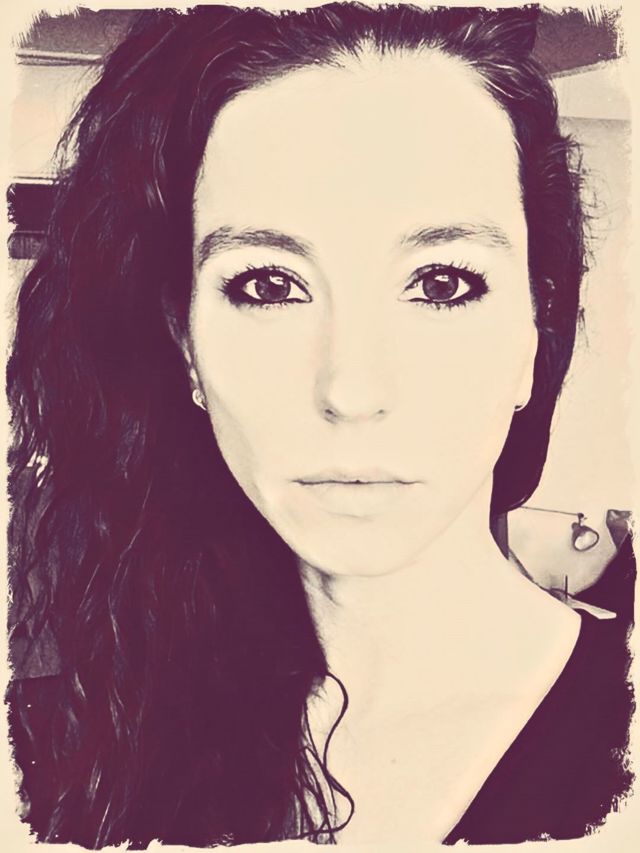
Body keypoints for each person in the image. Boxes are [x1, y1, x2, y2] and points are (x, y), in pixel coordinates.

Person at [6, 3, 633, 848]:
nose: (352, 389)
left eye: (442, 283)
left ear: (533, 333)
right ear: (186, 346)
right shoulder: (62, 745)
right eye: (268, 285)